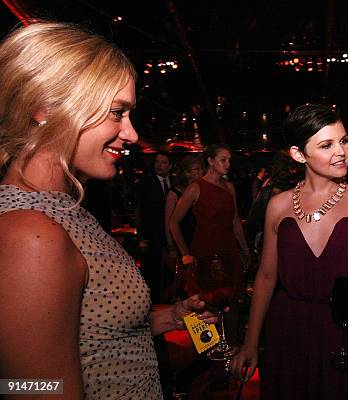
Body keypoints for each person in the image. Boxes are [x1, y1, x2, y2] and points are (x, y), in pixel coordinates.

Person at [0, 22, 219, 399]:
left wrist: (169, 317)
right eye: (117, 112)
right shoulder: (30, 234)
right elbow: (33, 389)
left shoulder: (65, 208)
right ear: (45, 108)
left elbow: (91, 336)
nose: (132, 134)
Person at [231, 104, 348, 399]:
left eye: (344, 140)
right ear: (299, 154)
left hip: (346, 331)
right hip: (289, 329)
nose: (342, 152)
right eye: (326, 145)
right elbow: (265, 277)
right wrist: (250, 342)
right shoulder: (278, 205)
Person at [169, 144, 249, 343]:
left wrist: (245, 250)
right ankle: (208, 353)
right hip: (205, 252)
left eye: (229, 160)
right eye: (223, 159)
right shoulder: (196, 187)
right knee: (205, 303)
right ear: (210, 161)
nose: (228, 164)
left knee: (231, 303)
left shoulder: (229, 187)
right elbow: (173, 222)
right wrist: (185, 253)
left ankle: (230, 349)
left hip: (228, 250)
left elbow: (235, 222)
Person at [163, 155, 204, 300]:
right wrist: (172, 248)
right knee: (185, 286)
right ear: (186, 173)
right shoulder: (174, 194)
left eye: (201, 169)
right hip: (181, 242)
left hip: (195, 241)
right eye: (196, 170)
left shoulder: (198, 191)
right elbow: (169, 222)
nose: (200, 173)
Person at [136, 151, 173, 302]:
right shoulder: (146, 183)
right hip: (152, 235)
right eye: (157, 162)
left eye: (163, 162)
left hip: (170, 234)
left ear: (170, 166)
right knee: (152, 271)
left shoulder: (175, 183)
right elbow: (140, 210)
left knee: (169, 272)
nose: (159, 165)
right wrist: (141, 236)